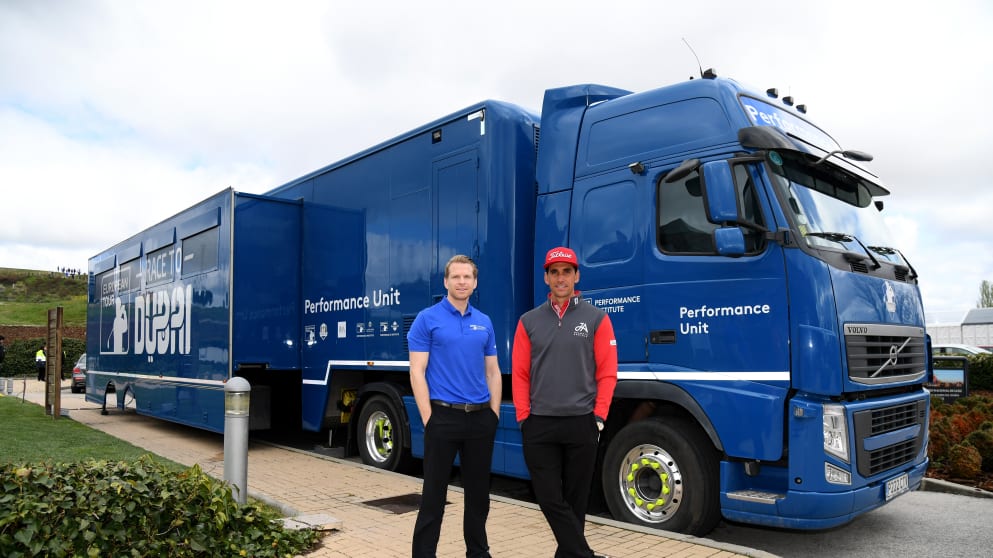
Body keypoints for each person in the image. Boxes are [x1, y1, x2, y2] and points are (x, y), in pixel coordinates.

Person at [512, 246, 618, 558]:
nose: (561, 278)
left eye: (566, 271)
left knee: (576, 501)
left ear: (576, 276)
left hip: (581, 422)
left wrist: (598, 417)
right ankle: (584, 554)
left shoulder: (597, 319)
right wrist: (523, 416)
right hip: (539, 424)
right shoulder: (528, 321)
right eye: (554, 272)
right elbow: (519, 374)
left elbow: (607, 372)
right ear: (546, 278)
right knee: (548, 497)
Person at [408, 254, 502, 558]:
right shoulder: (427, 318)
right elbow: (417, 371)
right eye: (456, 277)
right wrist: (428, 418)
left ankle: (478, 553)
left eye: (467, 277)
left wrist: (494, 415)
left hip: (479, 419)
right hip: (442, 417)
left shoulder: (484, 322)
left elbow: (493, 371)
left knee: (479, 497)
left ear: (475, 283)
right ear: (446, 281)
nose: (462, 282)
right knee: (434, 495)